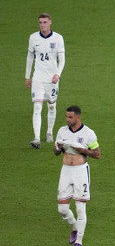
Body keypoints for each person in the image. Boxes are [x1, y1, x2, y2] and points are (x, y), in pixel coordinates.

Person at [53, 105, 101, 246]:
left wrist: (83, 150)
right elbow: (55, 152)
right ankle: (75, 227)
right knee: (62, 209)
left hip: (81, 171)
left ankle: (79, 241)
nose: (67, 120)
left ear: (78, 117)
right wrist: (59, 147)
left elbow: (97, 154)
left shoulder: (88, 133)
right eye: (66, 117)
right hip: (65, 171)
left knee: (81, 208)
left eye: (70, 117)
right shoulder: (62, 131)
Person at [26, 13, 66, 149]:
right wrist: (27, 76)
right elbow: (30, 56)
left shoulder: (58, 38)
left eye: (44, 22)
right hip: (37, 78)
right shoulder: (33, 37)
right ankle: (36, 138)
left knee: (51, 106)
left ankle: (49, 131)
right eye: (40, 22)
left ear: (50, 23)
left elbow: (62, 60)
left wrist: (57, 75)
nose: (42, 25)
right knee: (37, 107)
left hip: (52, 80)